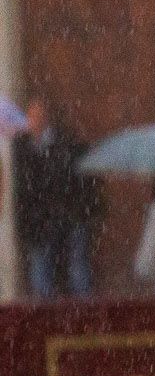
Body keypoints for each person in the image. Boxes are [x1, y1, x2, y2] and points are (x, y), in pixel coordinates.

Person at [13, 99, 98, 300]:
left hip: (68, 212)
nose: (35, 121)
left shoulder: (65, 143)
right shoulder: (23, 147)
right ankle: (45, 315)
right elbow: (23, 188)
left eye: (39, 116)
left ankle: (84, 312)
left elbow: (77, 179)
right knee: (42, 269)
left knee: (76, 268)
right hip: (40, 219)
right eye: (32, 117)